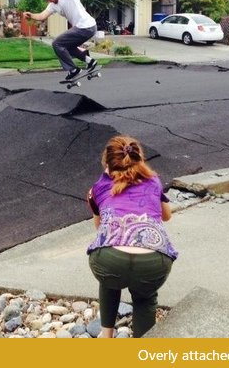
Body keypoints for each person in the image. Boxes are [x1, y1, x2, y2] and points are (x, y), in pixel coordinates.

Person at [86, 135, 178, 338]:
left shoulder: (96, 190)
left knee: (109, 280)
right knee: (145, 298)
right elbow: (167, 216)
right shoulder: (153, 181)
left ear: (107, 163)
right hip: (154, 259)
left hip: (110, 260)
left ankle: (107, 336)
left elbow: (100, 228)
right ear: (139, 158)